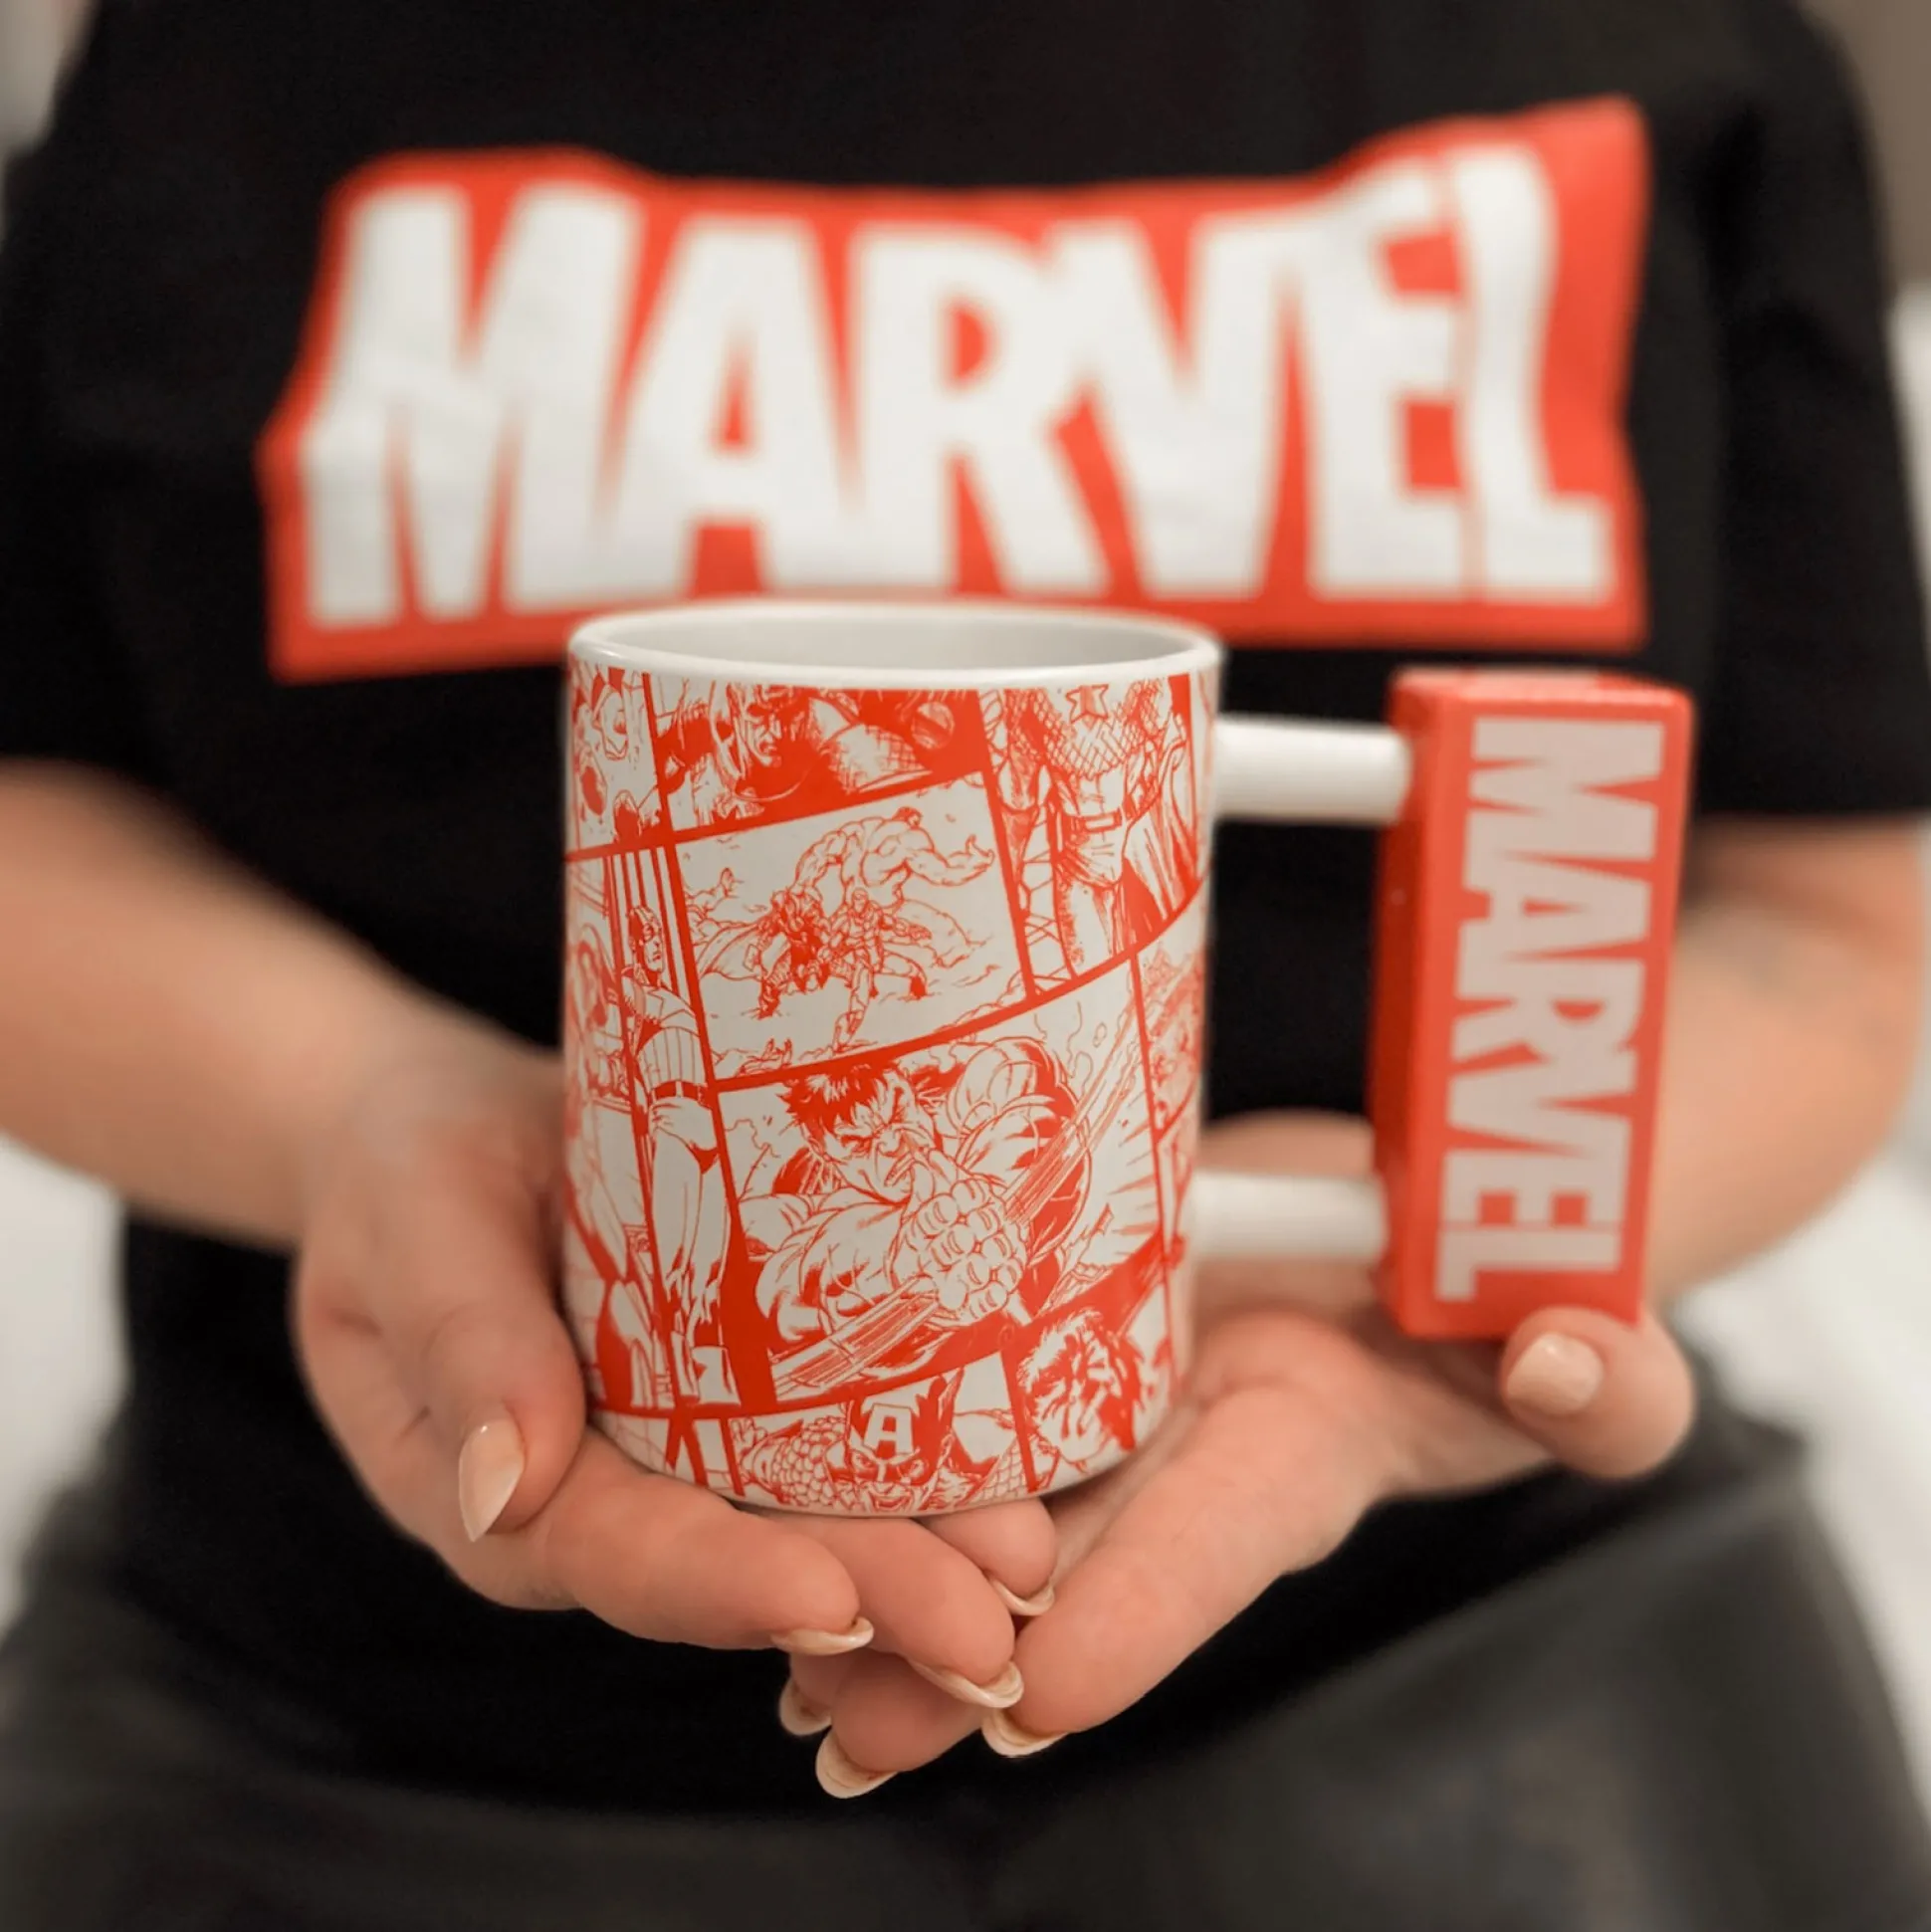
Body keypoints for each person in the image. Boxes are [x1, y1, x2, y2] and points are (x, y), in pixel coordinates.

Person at [1, 1, 1929, 1926]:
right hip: (354, 1704)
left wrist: (1434, 1235)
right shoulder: (218, 58)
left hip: (1483, 1636)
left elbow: (1817, 924)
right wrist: (358, 1107)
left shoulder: (1662, 38)